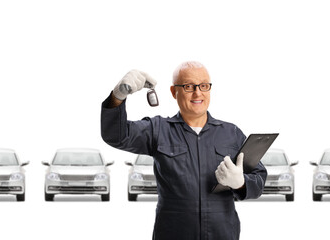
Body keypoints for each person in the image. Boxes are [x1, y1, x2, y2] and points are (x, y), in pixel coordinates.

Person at [101, 61, 267, 240]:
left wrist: (241, 183)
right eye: (189, 86)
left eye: (203, 86)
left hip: (223, 235)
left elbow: (259, 177)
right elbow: (116, 136)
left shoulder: (231, 133)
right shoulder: (158, 130)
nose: (198, 93)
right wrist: (118, 96)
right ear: (174, 92)